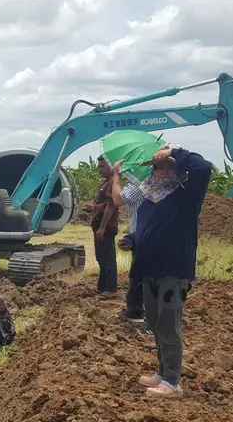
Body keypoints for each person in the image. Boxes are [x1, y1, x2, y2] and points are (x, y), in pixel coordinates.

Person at [130, 144, 212, 398]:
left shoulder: (187, 195)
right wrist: (132, 240)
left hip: (173, 270)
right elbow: (147, 230)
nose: (161, 171)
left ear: (178, 170)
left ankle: (173, 382)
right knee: (155, 323)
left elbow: (204, 167)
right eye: (157, 167)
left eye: (167, 166)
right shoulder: (150, 198)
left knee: (168, 324)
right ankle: (163, 372)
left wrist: (175, 151)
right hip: (149, 268)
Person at [111, 161, 147, 323]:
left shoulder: (139, 183)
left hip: (140, 235)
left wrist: (116, 175)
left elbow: (118, 200)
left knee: (138, 274)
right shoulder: (161, 183)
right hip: (151, 234)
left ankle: (136, 312)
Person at [90, 155, 119, 299]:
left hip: (106, 226)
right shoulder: (107, 183)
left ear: (111, 167)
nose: (99, 169)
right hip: (101, 226)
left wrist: (102, 228)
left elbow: (110, 206)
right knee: (101, 257)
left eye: (102, 166)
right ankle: (102, 288)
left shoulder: (112, 183)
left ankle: (110, 289)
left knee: (107, 258)